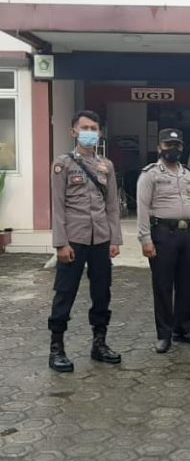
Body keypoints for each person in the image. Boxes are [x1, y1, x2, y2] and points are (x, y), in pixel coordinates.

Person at [49, 110, 123, 373]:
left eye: (94, 128)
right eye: (84, 128)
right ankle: (57, 348)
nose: (89, 132)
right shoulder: (63, 164)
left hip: (100, 239)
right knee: (65, 293)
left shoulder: (106, 166)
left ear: (100, 133)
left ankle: (99, 344)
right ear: (74, 132)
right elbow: (58, 207)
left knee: (102, 292)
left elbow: (112, 206)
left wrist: (115, 239)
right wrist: (61, 243)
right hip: (74, 240)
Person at [137, 128, 190, 353]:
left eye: (176, 146)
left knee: (186, 284)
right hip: (163, 234)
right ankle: (164, 334)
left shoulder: (187, 174)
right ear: (159, 147)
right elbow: (142, 208)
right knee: (163, 286)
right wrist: (145, 239)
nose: (173, 149)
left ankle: (183, 329)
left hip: (187, 235)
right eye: (168, 145)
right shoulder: (150, 174)